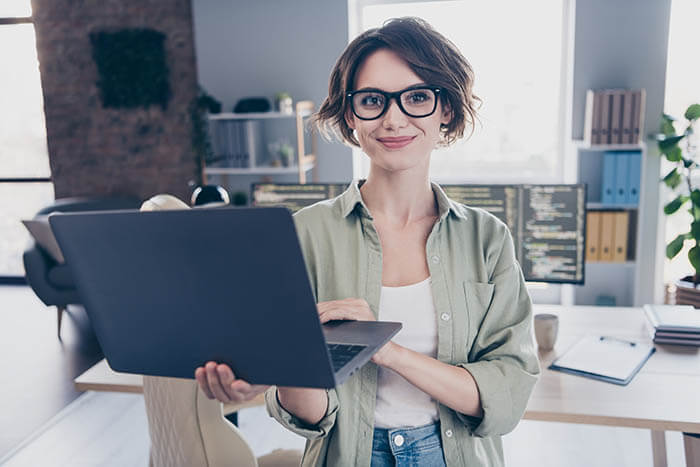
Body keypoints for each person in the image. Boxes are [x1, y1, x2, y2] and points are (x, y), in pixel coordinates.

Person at [195, 17, 540, 466]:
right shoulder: (304, 235)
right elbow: (312, 415)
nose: (394, 119)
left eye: (417, 97)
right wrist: (287, 368)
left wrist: (387, 350)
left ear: (446, 110)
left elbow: (507, 392)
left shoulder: (487, 239)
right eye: (373, 100)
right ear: (351, 116)